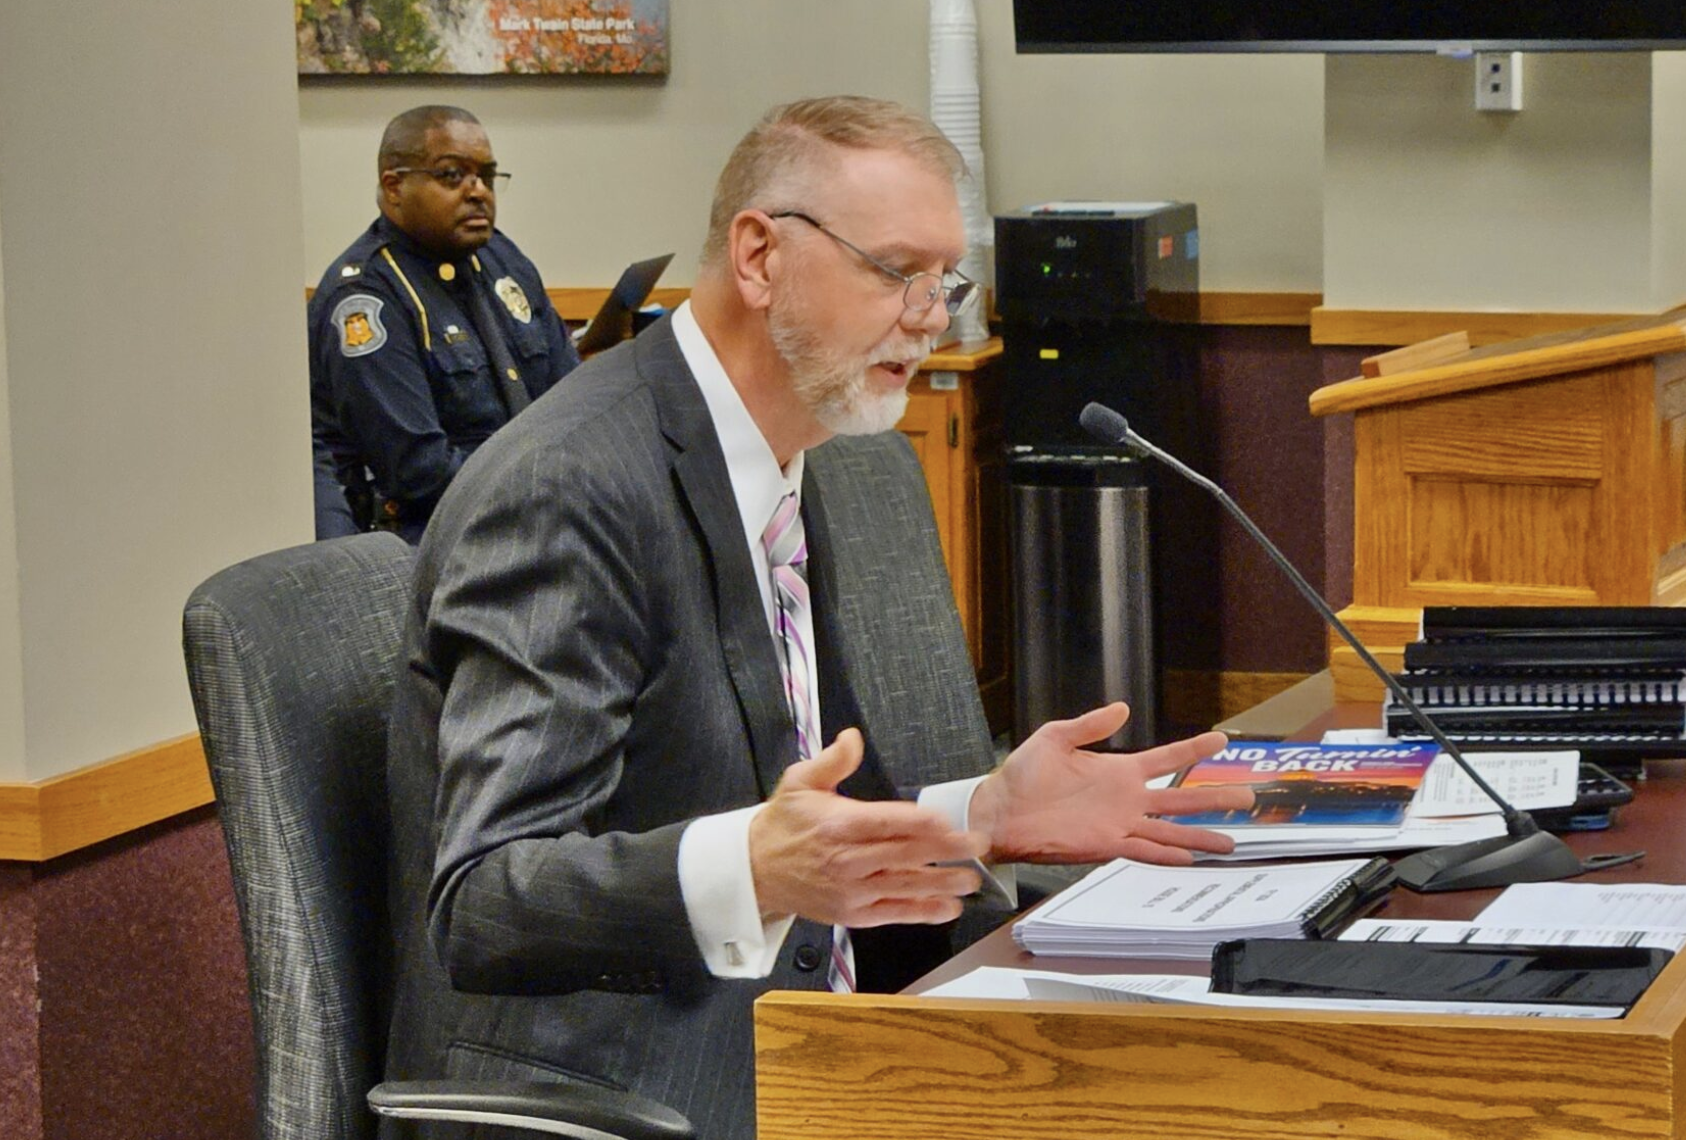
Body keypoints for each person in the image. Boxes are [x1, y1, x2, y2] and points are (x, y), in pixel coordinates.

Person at [383, 95, 1250, 1140]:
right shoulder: (568, 489)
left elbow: (791, 807)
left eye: (946, 281)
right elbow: (485, 900)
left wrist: (982, 815)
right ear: (759, 258)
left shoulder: (786, 448)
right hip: (626, 1090)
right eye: (897, 272)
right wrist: (752, 867)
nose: (933, 315)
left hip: (813, 1041)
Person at [308, 105, 579, 542]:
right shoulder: (366, 299)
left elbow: (575, 400)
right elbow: (420, 472)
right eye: (453, 176)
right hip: (433, 543)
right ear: (394, 187)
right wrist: (548, 491)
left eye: (486, 177)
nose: (478, 192)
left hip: (535, 522)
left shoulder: (502, 261)